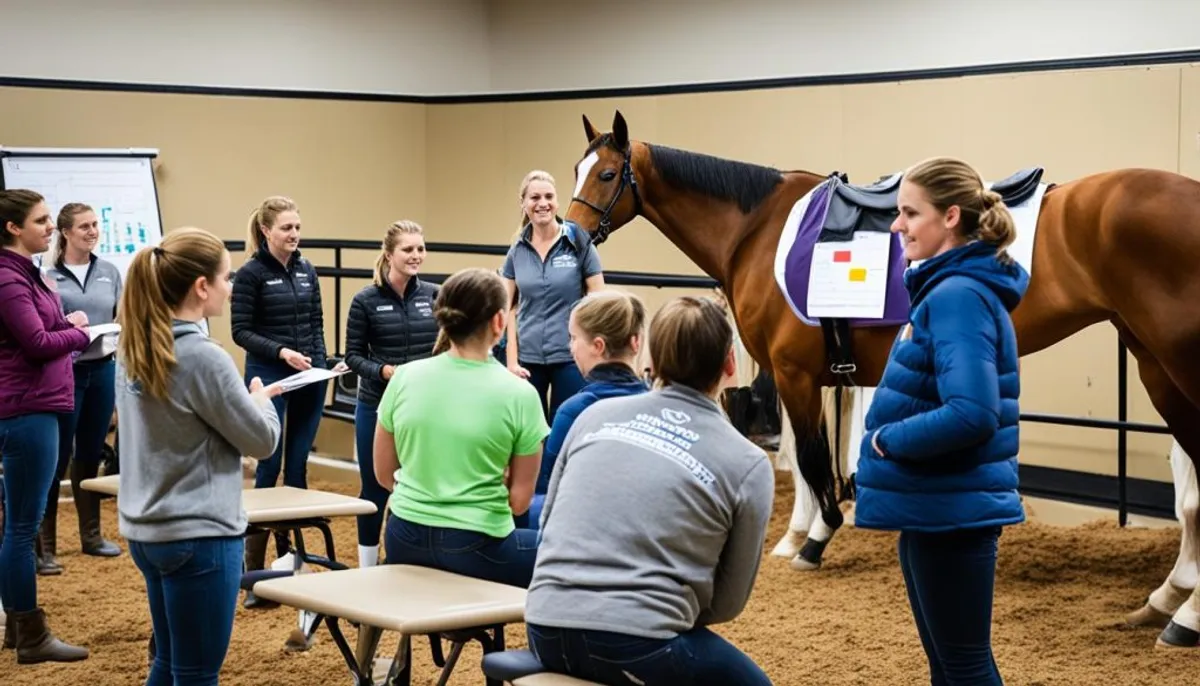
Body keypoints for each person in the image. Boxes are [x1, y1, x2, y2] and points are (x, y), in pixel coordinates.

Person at [525, 295, 776, 686]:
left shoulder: (591, 416)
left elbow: (546, 528)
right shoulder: (749, 462)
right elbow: (729, 601)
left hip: (543, 627)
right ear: (730, 364)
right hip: (640, 646)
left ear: (651, 360)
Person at [854, 156, 1030, 686]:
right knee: (950, 664)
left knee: (964, 664)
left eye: (910, 213)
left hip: (952, 510)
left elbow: (972, 413)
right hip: (937, 507)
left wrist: (887, 439)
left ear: (951, 217)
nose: (897, 225)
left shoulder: (956, 297)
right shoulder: (948, 290)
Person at [116, 227, 283, 685]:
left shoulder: (133, 347)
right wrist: (261, 399)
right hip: (199, 534)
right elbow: (262, 442)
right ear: (201, 287)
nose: (231, 289)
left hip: (148, 530)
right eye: (227, 278)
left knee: (169, 664)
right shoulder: (204, 358)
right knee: (196, 674)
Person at [374, 267, 550, 588]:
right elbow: (520, 503)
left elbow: (384, 475)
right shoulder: (520, 394)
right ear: (499, 322)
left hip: (403, 538)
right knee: (563, 552)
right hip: (478, 547)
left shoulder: (404, 377)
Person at [0, 189, 91, 664]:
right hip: (26, 408)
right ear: (13, 228)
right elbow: (37, 341)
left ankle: (19, 630)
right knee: (20, 527)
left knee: (18, 524)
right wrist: (80, 331)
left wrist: (67, 327)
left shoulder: (26, 274)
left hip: (36, 401)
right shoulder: (7, 278)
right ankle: (29, 634)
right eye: (41, 220)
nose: (49, 226)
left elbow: (45, 333)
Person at [230, 195, 329, 596]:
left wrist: (322, 365)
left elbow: (317, 321)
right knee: (268, 468)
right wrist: (281, 352)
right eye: (286, 228)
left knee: (299, 467)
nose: (294, 235)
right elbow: (241, 331)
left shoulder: (307, 269)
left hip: (310, 375)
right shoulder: (251, 273)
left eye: (298, 227)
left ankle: (290, 561)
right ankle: (253, 574)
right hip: (269, 374)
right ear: (266, 230)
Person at [343, 220, 439, 569]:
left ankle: (414, 562)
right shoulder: (365, 300)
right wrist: (385, 372)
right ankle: (368, 567)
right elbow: (352, 356)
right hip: (377, 404)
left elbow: (445, 348)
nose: (416, 256)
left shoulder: (434, 294)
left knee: (420, 485)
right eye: (408, 249)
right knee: (375, 488)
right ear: (389, 254)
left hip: (424, 406)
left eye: (420, 249)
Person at [35, 203, 124, 577]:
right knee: (56, 459)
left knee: (90, 452)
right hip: (64, 372)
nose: (92, 231)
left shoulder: (109, 271)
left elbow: (119, 317)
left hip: (102, 369)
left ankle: (91, 535)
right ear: (65, 232)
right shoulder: (46, 275)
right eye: (84, 226)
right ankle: (46, 546)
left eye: (95, 225)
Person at [521, 289, 649, 529]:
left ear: (598, 346)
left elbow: (548, 489)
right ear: (636, 342)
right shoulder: (656, 402)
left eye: (573, 338)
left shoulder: (576, 410)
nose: (570, 348)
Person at [501, 170, 605, 423]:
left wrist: (591, 351)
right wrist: (511, 362)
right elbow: (506, 309)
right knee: (528, 434)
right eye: (535, 198)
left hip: (570, 357)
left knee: (566, 427)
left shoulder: (578, 242)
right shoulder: (517, 250)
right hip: (528, 360)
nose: (542, 203)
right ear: (523, 204)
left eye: (549, 196)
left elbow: (599, 300)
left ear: (557, 202)